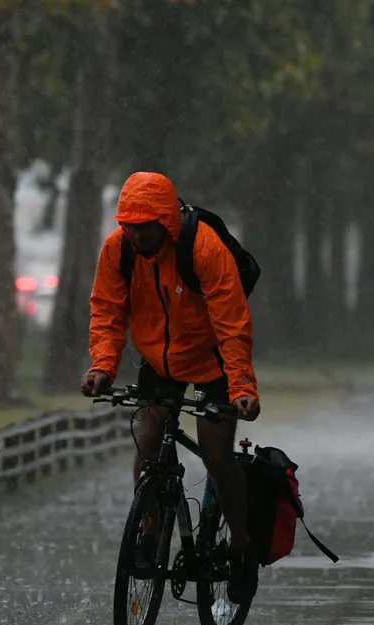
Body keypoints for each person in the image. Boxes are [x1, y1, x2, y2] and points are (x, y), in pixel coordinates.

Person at [80, 171, 261, 603]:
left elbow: (232, 323)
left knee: (217, 454)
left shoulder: (202, 248)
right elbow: (107, 311)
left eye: (143, 227)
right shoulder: (118, 249)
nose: (135, 235)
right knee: (146, 439)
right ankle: (149, 531)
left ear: (166, 221)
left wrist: (241, 387)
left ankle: (240, 545)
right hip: (160, 361)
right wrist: (102, 366)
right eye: (128, 225)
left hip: (213, 356)